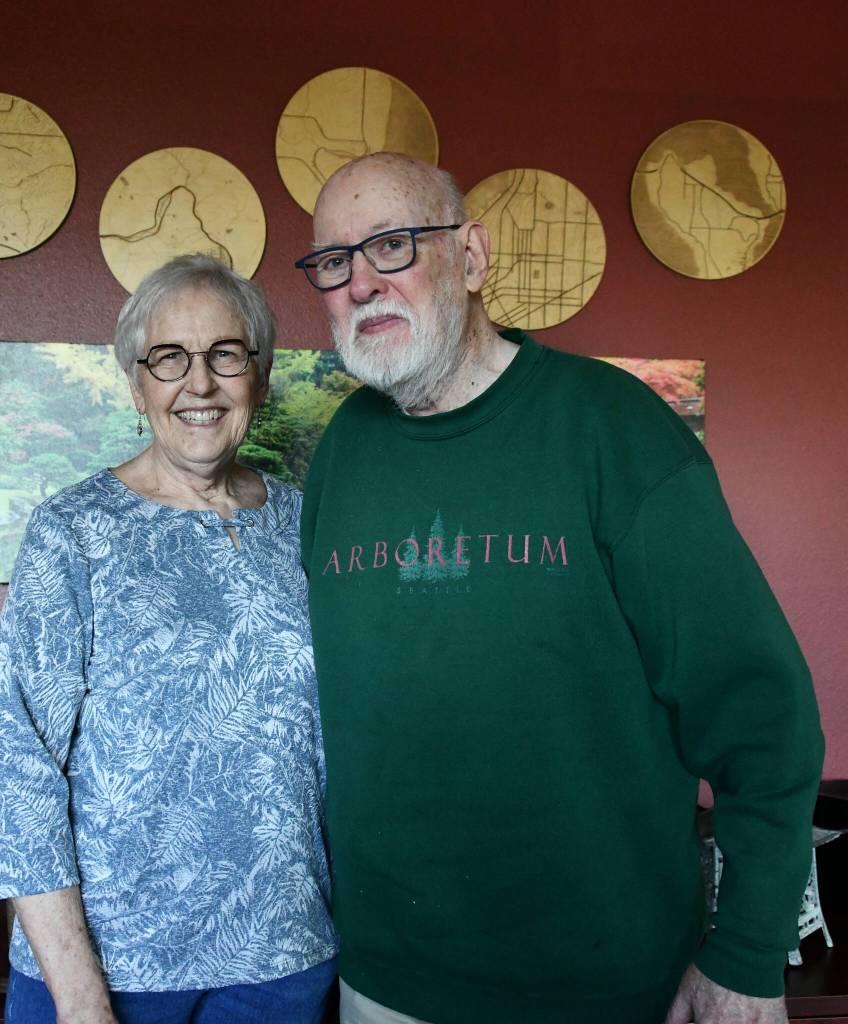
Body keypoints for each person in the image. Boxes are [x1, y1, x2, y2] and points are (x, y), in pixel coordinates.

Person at [294, 153, 823, 1024]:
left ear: (471, 257)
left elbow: (762, 715)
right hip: (384, 984)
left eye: (391, 245)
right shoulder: (344, 448)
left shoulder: (615, 430)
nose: (359, 283)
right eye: (333, 260)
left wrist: (748, 949)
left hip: (599, 987)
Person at [0, 254, 337, 1024]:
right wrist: (80, 996)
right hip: (110, 970)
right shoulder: (72, 532)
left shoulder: (308, 525)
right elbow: (19, 771)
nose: (198, 383)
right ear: (137, 386)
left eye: (225, 354)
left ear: (260, 377)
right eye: (169, 358)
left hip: (283, 957)